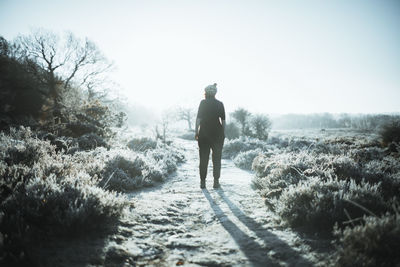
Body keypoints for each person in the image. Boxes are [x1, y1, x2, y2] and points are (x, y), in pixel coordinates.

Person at [195, 83, 225, 189]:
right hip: (217, 134)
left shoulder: (203, 103)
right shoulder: (220, 104)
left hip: (203, 134)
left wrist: (196, 132)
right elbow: (223, 121)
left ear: (206, 93)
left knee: (203, 158)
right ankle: (216, 182)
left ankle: (203, 182)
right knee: (217, 158)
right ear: (215, 93)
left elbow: (198, 119)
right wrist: (223, 133)